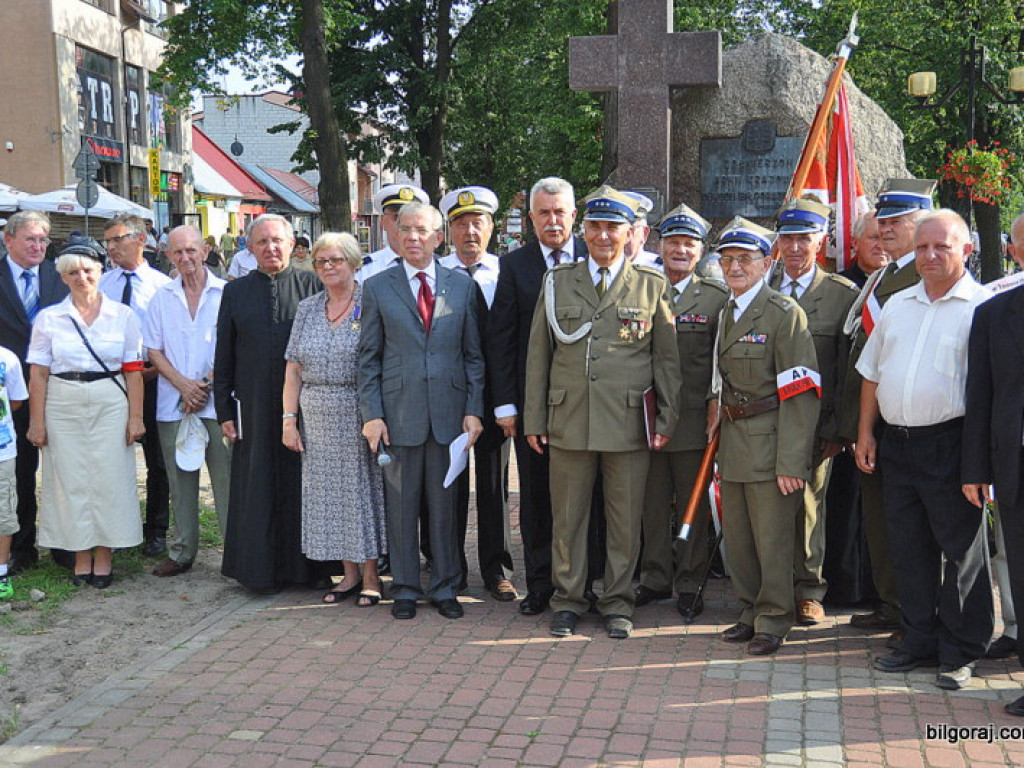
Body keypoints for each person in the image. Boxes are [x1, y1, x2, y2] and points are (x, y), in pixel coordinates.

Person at [524, 185, 681, 640]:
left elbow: (665, 360)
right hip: (569, 419)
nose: (604, 236)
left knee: (623, 520)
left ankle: (617, 600)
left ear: (629, 233)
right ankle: (568, 599)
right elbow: (540, 355)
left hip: (628, 423)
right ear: (584, 230)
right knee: (568, 518)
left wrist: (667, 418)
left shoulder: (651, 286)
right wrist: (535, 418)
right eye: (595, 226)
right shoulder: (557, 282)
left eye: (613, 227)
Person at [856, 209, 992, 690]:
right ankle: (918, 641)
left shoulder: (981, 308)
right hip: (899, 445)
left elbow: (988, 394)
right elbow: (872, 373)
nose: (930, 256)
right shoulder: (898, 305)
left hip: (952, 446)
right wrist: (867, 433)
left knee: (961, 554)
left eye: (942, 247)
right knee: (909, 550)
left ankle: (961, 651)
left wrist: (979, 463)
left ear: (966, 249)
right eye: (922, 247)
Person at [358, 202, 485, 620]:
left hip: (450, 415)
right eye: (406, 229)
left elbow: (473, 357)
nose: (413, 237)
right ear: (394, 235)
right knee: (401, 506)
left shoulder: (462, 286)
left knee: (447, 507)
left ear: (437, 236)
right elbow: (368, 358)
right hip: (398, 415)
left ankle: (446, 586)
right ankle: (408, 589)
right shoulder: (377, 287)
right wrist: (372, 414)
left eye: (422, 230)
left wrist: (473, 409)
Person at [713, 217, 820, 656]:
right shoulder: (726, 310)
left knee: (772, 539)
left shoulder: (782, 313)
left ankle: (774, 618)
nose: (735, 267)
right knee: (739, 539)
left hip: (772, 440)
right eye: (727, 260)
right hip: (735, 440)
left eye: (744, 259)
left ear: (765, 262)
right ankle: (748, 609)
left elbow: (802, 391)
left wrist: (792, 462)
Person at [487, 177, 589, 616]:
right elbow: (501, 340)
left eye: (559, 211)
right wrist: (507, 405)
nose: (552, 220)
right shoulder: (515, 266)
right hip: (535, 407)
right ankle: (542, 583)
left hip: (587, 406)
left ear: (573, 216)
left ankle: (588, 583)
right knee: (536, 499)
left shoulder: (596, 258)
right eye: (543, 213)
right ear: (530, 219)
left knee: (590, 499)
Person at [840, 179, 935, 637]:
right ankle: (891, 603)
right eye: (884, 220)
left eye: (897, 221)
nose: (886, 228)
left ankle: (909, 612)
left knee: (903, 526)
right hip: (872, 418)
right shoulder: (885, 274)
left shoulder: (920, 274)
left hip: (898, 421)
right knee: (880, 521)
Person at [27, 237, 146, 588]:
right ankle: (80, 555)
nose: (81, 277)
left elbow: (134, 371)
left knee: (110, 477)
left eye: (88, 270)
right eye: (73, 272)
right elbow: (38, 373)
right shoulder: (49, 318)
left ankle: (105, 555)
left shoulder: (123, 316)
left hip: (110, 399)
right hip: (62, 402)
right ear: (63, 277)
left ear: (100, 271)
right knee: (69, 480)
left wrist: (135, 417)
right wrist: (37, 422)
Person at [214, 214, 323, 593]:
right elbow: (223, 357)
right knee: (256, 485)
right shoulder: (235, 292)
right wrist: (224, 411)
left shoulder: (313, 285)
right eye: (262, 242)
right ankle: (258, 570)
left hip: (306, 406)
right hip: (254, 406)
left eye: (278, 241)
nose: (271, 248)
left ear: (292, 245)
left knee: (302, 484)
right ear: (249, 248)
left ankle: (307, 569)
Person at [767, 197, 859, 626]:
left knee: (808, 507)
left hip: (814, 423)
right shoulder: (758, 288)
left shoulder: (841, 296)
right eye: (788, 238)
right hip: (761, 419)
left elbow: (844, 370)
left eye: (805, 238)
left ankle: (808, 589)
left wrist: (838, 428)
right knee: (762, 504)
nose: (796, 247)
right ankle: (769, 587)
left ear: (822, 241)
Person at [284, 232, 386, 607]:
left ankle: (373, 575)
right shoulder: (309, 307)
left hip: (358, 410)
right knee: (329, 497)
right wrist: (288, 420)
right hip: (316, 413)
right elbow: (293, 368)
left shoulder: (371, 301)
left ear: (353, 262)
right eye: (321, 261)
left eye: (335, 260)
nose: (327, 267)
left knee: (361, 493)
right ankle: (349, 574)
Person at [635, 203, 727, 617]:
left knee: (693, 505)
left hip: (692, 420)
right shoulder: (641, 288)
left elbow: (721, 360)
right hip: (647, 419)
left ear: (701, 251)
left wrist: (715, 406)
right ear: (660, 244)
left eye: (689, 244)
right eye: (673, 242)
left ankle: (690, 582)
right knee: (652, 505)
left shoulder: (715, 298)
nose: (680, 250)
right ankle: (654, 578)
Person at [438, 185, 517, 601]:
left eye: (478, 222)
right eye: (461, 223)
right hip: (448, 396)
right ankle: (447, 567)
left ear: (492, 228)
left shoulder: (507, 273)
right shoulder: (435, 276)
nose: (470, 231)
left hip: (493, 399)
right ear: (449, 230)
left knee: (493, 486)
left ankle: (497, 569)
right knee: (448, 484)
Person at [143, 226, 231, 578]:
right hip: (173, 403)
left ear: (205, 251)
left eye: (191, 250)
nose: (185, 258)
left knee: (226, 481)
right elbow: (153, 348)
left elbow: (232, 346)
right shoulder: (161, 297)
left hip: (217, 403)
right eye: (177, 252)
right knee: (180, 482)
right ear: (168, 255)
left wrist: (204, 386)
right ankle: (181, 551)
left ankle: (234, 551)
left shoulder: (227, 293)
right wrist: (183, 386)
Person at [963, 213, 1024, 713]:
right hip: (1015, 467)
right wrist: (976, 467)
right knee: (1022, 573)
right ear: (1013, 249)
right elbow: (979, 398)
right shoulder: (994, 314)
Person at [824, 211, 889, 605]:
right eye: (873, 238)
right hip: (849, 415)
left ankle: (878, 591)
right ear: (855, 244)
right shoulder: (843, 287)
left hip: (890, 416)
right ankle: (846, 586)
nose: (880, 244)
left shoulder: (903, 283)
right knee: (845, 506)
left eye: (887, 236)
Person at [0, 212, 70, 573]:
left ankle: (64, 544)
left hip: (57, 389)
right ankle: (22, 548)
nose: (38, 246)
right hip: (11, 395)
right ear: (8, 239)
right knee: (19, 472)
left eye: (43, 240)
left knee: (62, 468)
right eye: (30, 239)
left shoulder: (59, 278)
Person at [99, 214, 172, 558]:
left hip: (152, 378)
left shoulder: (161, 285)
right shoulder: (102, 284)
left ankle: (156, 529)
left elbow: (170, 337)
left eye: (117, 239)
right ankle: (114, 527)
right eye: (108, 241)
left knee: (158, 460)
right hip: (113, 382)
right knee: (112, 457)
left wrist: (154, 371)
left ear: (140, 239)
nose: (110, 247)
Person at [0, 344, 28, 599]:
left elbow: (17, 400)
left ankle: (1, 572)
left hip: (2, 451)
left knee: (4, 514)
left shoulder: (7, 358)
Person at [360, 184, 430, 282]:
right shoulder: (364, 271)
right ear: (382, 222)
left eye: (410, 217)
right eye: (396, 217)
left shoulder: (436, 267)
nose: (403, 224)